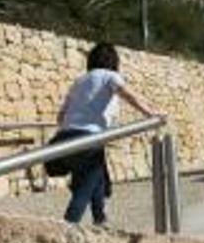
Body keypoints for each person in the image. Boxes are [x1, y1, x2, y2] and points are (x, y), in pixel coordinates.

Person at [54, 42, 162, 225]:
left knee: (97, 176)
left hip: (67, 137)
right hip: (89, 138)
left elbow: (61, 116)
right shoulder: (111, 76)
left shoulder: (80, 81)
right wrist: (151, 113)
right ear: (113, 61)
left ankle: (100, 218)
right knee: (84, 188)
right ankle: (66, 227)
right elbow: (129, 95)